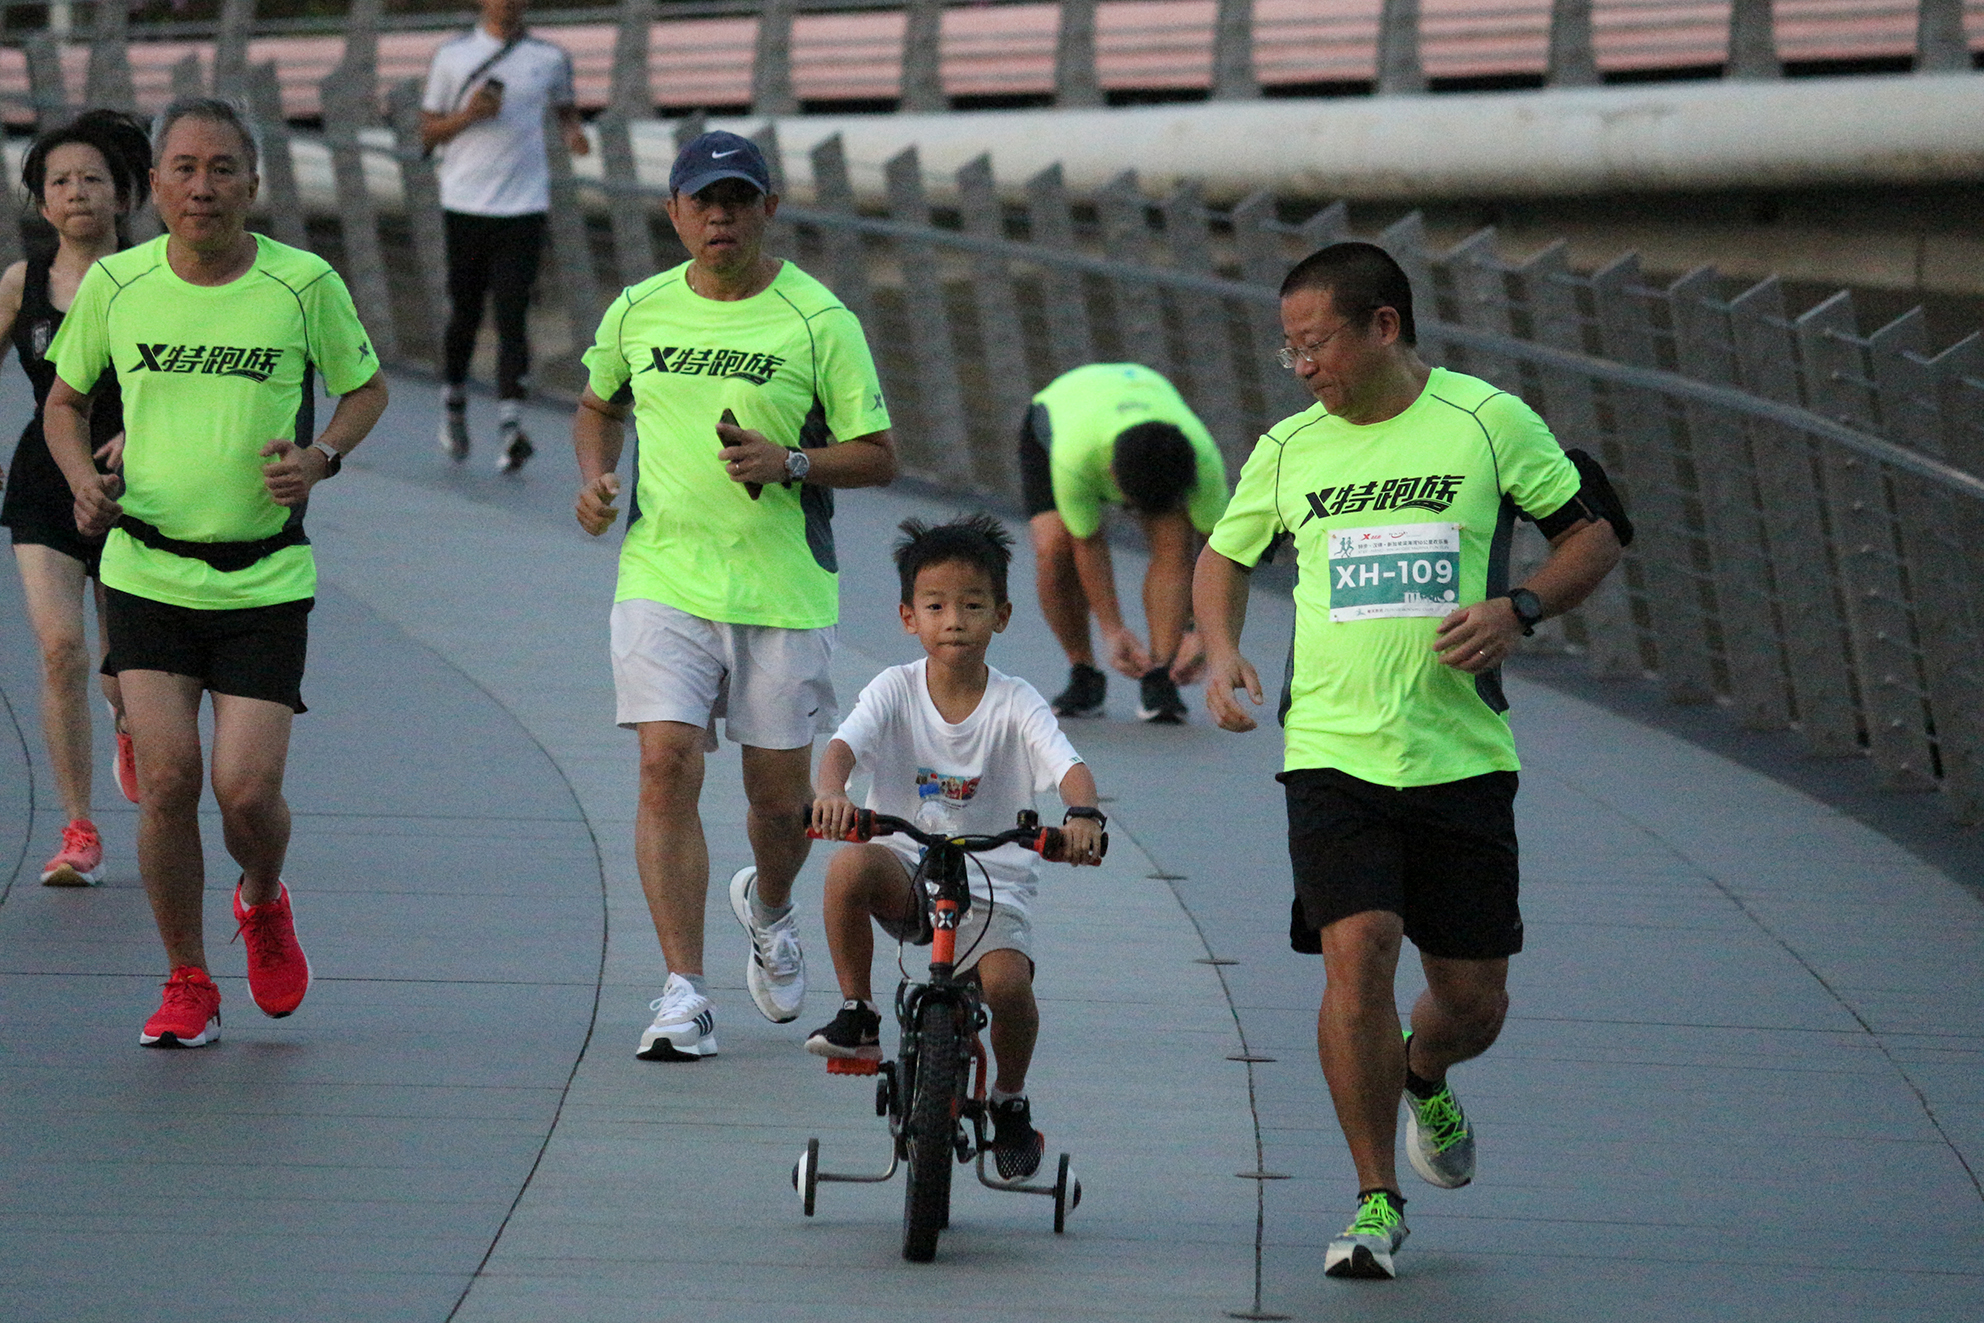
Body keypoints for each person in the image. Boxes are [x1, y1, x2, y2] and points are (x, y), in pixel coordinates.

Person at [1194, 243, 1624, 1280]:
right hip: (1331, 752)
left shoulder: (1487, 422)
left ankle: (1424, 1069)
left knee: (1473, 1002)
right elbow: (1221, 556)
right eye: (1289, 348)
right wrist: (1219, 651)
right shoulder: (1288, 449)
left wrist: (1518, 607)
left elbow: (1594, 536)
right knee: (1360, 950)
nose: (1302, 366)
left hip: (1460, 754)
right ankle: (1374, 1196)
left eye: (1315, 343)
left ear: (1383, 326)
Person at [45, 98, 389, 1048]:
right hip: (147, 567)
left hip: (263, 579)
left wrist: (319, 457)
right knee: (167, 781)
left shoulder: (302, 283)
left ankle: (264, 895)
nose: (203, 187)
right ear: (155, 184)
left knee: (244, 792)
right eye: (186, 169)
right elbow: (65, 402)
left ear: (253, 184)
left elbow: (365, 388)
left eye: (223, 168)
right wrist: (81, 483)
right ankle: (187, 978)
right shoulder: (118, 284)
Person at [572, 130, 896, 1061]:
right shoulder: (638, 309)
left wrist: (790, 461)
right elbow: (598, 404)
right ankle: (684, 991)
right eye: (703, 201)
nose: (720, 217)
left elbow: (879, 455)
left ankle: (772, 903)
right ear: (674, 212)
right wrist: (596, 478)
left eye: (738, 200)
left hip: (782, 588)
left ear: (768, 210)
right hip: (663, 573)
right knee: (664, 763)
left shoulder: (818, 320)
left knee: (780, 801)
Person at [805, 514, 1105, 1180]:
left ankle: (1009, 1098)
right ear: (908, 617)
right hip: (908, 866)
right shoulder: (894, 688)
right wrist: (831, 793)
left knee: (1008, 986)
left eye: (972, 606)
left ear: (1001, 615)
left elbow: (1069, 766)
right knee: (848, 867)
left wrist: (1082, 815)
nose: (954, 621)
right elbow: (843, 746)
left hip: (993, 879)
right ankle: (858, 1010)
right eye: (936, 606)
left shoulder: (1017, 702)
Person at [0, 110, 151, 885]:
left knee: (126, 669)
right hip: (45, 483)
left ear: (123, 195)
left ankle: (127, 717)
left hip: (141, 483)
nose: (76, 191)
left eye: (93, 178)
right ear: (41, 200)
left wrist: (146, 433)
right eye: (59, 181)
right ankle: (78, 830)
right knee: (61, 648)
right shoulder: (20, 284)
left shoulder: (157, 276)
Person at [421, 0, 589, 473]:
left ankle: (512, 426)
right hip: (466, 203)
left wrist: (574, 134)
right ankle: (453, 403)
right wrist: (469, 115)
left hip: (524, 205)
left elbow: (565, 109)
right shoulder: (452, 57)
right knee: (466, 313)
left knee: (514, 314)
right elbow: (426, 131)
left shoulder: (549, 58)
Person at [1021, 363, 1228, 724]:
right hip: (1058, 413)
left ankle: (1159, 675)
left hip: (1142, 402)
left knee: (1174, 541)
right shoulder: (1075, 456)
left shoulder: (1204, 459)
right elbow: (1088, 543)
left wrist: (1203, 631)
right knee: (1054, 548)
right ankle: (1083, 672)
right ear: (1112, 478)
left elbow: (1221, 550)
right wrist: (1111, 630)